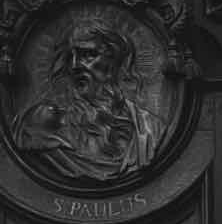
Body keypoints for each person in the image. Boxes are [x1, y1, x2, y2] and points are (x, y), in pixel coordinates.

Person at [15, 17, 166, 181]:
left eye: (88, 54)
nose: (75, 66)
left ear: (112, 61)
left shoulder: (149, 127)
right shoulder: (43, 122)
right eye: (70, 57)